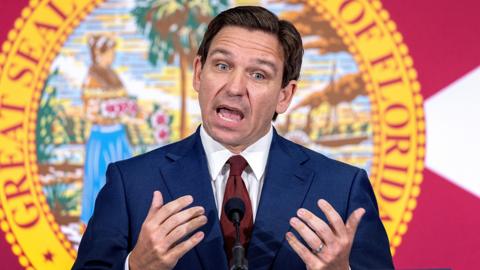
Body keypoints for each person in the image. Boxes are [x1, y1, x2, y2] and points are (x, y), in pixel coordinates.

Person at [73, 6, 393, 270]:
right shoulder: (131, 183)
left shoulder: (341, 190)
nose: (235, 87)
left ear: (285, 94)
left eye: (258, 75)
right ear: (199, 73)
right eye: (222, 65)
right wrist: (136, 267)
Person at [80, 34, 133, 226]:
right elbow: (89, 112)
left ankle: (122, 221)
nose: (112, 57)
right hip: (101, 138)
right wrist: (106, 114)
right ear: (98, 54)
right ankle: (96, 224)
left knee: (126, 178)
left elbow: (124, 103)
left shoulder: (113, 75)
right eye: (109, 53)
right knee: (99, 179)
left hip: (118, 135)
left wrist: (126, 111)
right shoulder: (91, 78)